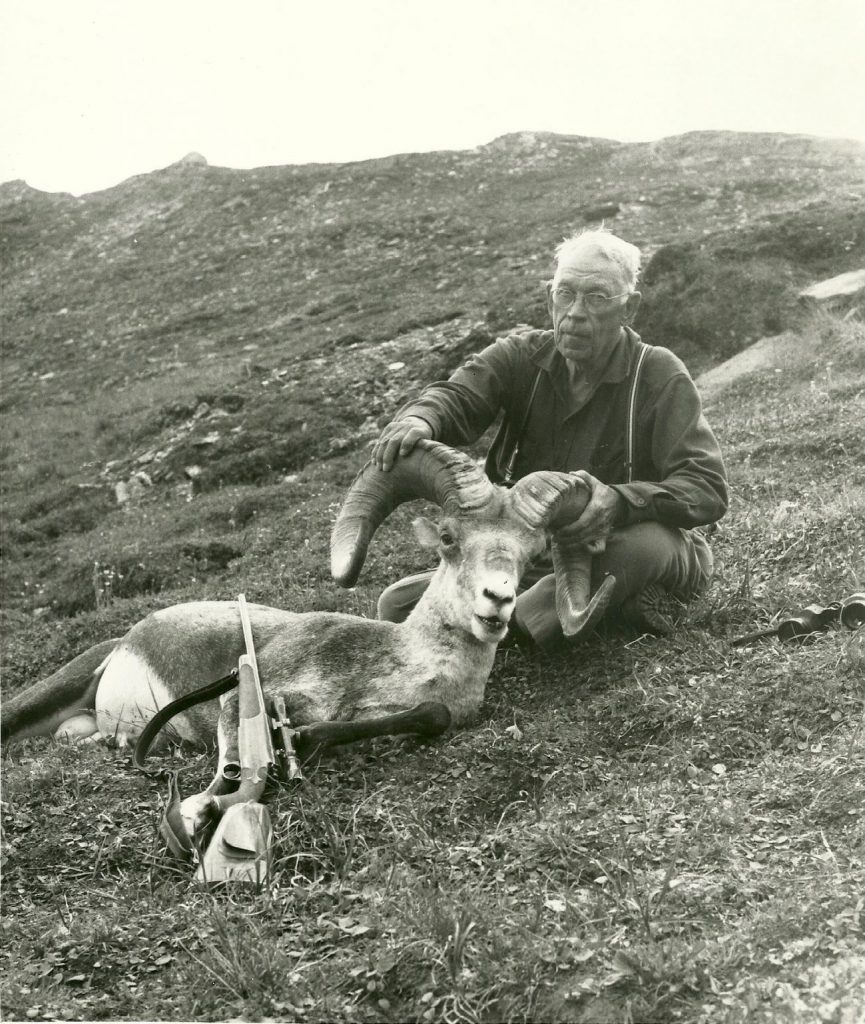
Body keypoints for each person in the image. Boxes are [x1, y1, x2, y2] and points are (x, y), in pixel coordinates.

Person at [371, 229, 728, 649]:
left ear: (629, 308)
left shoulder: (658, 373)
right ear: (548, 298)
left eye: (596, 298)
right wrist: (421, 418)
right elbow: (458, 396)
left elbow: (706, 488)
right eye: (565, 294)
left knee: (645, 548)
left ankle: (518, 619)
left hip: (625, 545)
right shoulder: (518, 358)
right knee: (396, 606)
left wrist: (619, 502)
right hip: (532, 558)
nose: (575, 313)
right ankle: (577, 612)